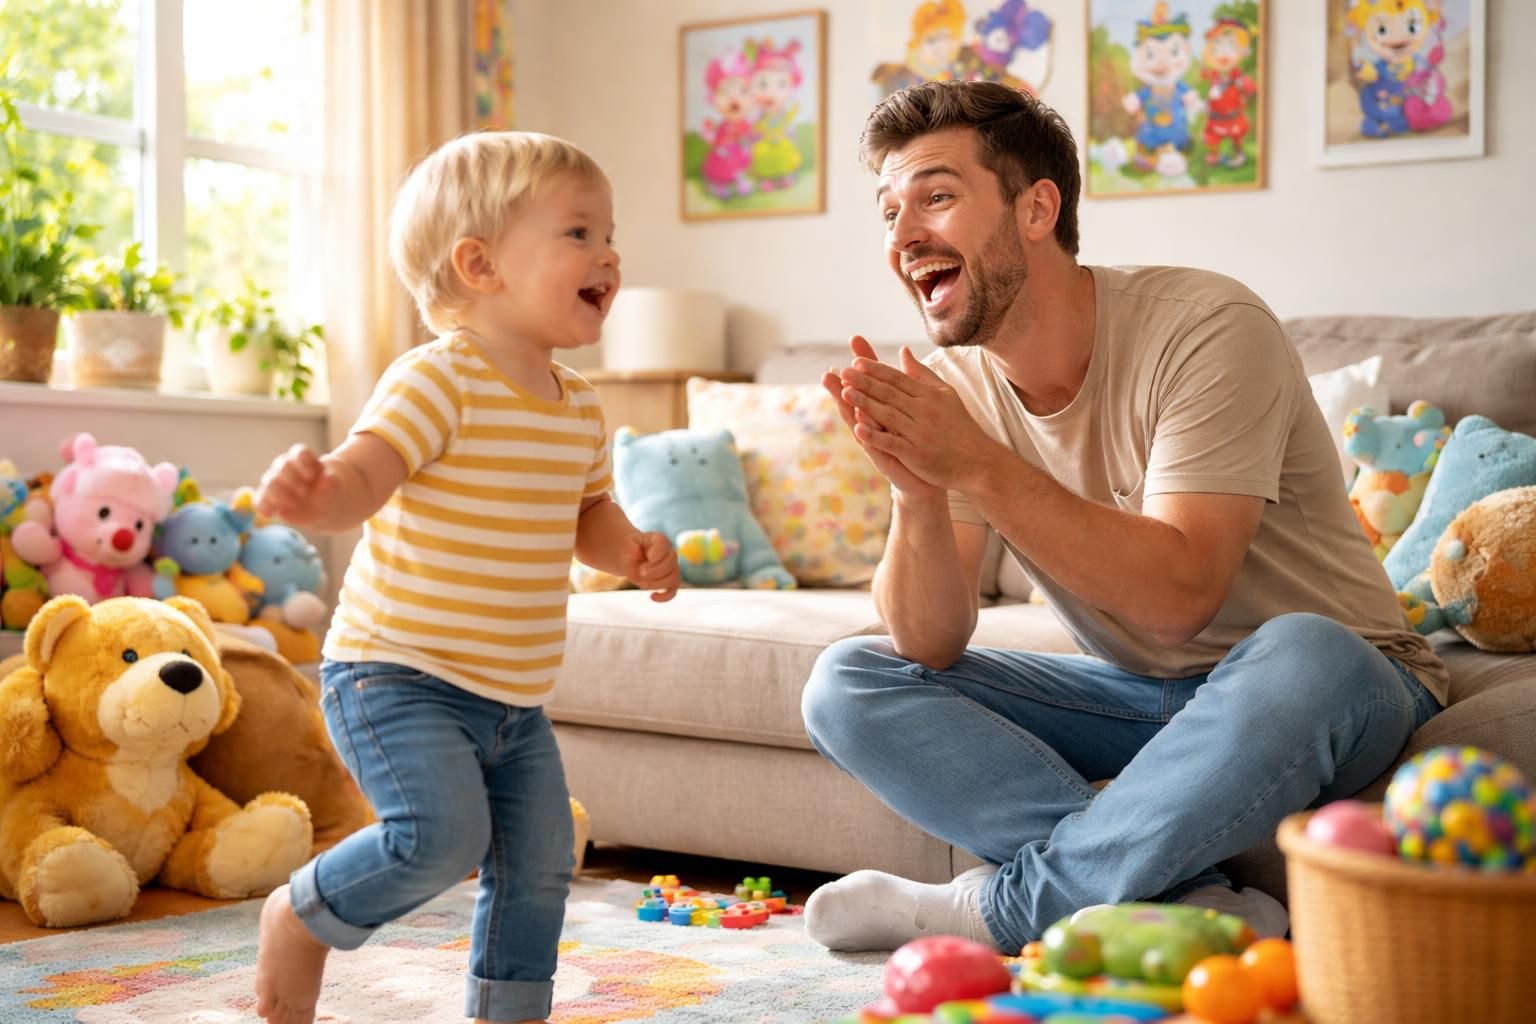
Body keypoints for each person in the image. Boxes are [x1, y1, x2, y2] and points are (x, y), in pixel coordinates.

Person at [800, 80, 1445, 955]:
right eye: (888, 211)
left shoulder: (1207, 327)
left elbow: (1181, 596)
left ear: (1036, 209)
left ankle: (1002, 910)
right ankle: (1180, 900)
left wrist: (977, 465)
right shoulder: (958, 389)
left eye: (937, 196)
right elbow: (927, 644)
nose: (903, 234)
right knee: (849, 680)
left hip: (1337, 683)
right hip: (1145, 696)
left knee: (1308, 649)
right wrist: (918, 494)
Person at [251, 131, 681, 1024]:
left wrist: (631, 549)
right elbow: (363, 477)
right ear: (480, 264)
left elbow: (584, 518)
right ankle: (303, 914)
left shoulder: (581, 407)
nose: (607, 254)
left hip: (514, 699)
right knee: (437, 839)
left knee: (540, 860)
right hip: (397, 673)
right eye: (576, 233)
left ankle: (508, 1011)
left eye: (609, 234)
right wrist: (318, 494)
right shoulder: (438, 380)